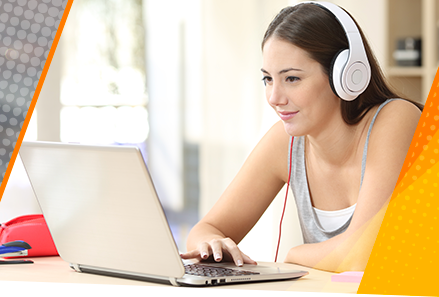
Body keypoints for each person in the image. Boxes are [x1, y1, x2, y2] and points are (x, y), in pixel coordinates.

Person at [180, 2, 421, 272]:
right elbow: (206, 229)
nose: (274, 98)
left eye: (292, 79)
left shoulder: (396, 119)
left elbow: (360, 257)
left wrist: (295, 254)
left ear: (346, 75)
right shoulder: (285, 142)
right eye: (268, 79)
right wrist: (212, 244)